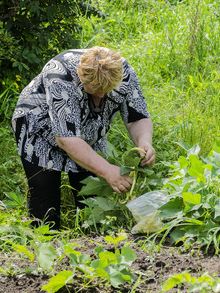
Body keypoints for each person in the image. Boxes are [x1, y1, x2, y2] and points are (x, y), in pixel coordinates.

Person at [11, 46, 155, 230]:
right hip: (39, 130)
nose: (101, 95)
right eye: (95, 90)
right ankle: (46, 244)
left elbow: (137, 117)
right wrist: (108, 170)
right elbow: (66, 139)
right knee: (45, 200)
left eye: (107, 90)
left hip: (88, 133)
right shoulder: (59, 74)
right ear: (81, 76)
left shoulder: (124, 72)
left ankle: (91, 245)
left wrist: (144, 142)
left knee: (91, 203)